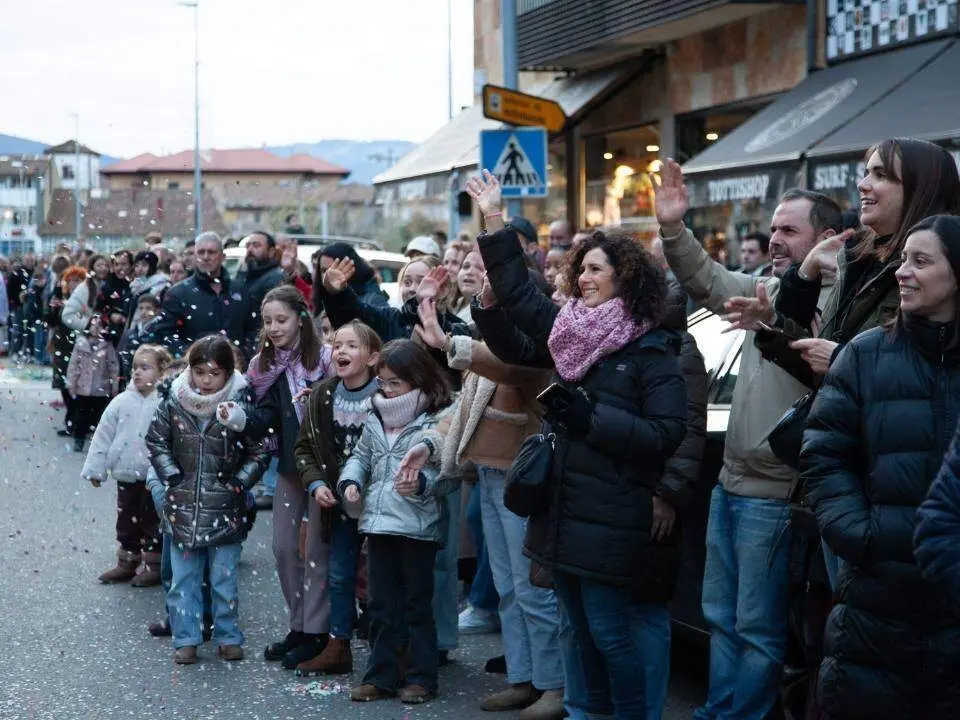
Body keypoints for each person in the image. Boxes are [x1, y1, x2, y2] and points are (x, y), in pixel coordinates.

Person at [468, 171, 687, 718]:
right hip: (562, 508)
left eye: (595, 269)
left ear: (625, 278)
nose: (583, 278)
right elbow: (521, 297)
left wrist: (593, 418)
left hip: (612, 513)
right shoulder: (571, 330)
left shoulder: (653, 349)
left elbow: (666, 434)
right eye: (581, 269)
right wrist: (493, 217)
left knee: (611, 634)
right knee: (580, 632)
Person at [650, 158, 845, 720]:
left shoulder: (840, 306)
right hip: (730, 484)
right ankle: (718, 711)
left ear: (828, 239)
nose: (775, 239)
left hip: (779, 495)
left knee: (757, 628)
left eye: (790, 230)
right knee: (721, 617)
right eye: (773, 228)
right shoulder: (769, 287)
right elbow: (706, 280)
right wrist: (673, 227)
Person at [801, 213, 960, 718]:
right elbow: (824, 453)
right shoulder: (866, 354)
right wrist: (862, 535)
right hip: (876, 598)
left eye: (921, 261)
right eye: (903, 259)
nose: (902, 272)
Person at [413, 293, 566, 719]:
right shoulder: (489, 350)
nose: (483, 300)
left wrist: (449, 342)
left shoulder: (536, 348)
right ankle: (523, 679)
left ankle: (554, 686)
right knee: (508, 589)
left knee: (532, 589)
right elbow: (463, 412)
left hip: (522, 484)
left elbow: (511, 369)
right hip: (488, 476)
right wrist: (428, 444)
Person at [769, 138, 960, 380]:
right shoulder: (856, 258)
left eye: (880, 175)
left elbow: (931, 377)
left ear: (920, 188)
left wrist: (842, 359)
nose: (862, 184)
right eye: (866, 173)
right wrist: (771, 321)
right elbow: (820, 371)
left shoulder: (941, 265)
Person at [216, 285, 333, 669]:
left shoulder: (325, 360)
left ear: (301, 318)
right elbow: (265, 417)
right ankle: (298, 626)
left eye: (281, 319)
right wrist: (240, 418)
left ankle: (317, 632)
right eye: (268, 321)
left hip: (324, 467)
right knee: (283, 548)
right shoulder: (264, 366)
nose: (274, 327)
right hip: (289, 466)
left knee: (316, 551)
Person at [338, 339, 454, 705]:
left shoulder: (436, 420)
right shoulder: (375, 415)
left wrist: (422, 484)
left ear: (417, 379)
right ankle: (381, 675)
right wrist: (351, 481)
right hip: (378, 523)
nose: (387, 390)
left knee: (417, 603)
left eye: (395, 383)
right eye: (383, 381)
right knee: (380, 604)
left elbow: (450, 475)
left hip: (418, 525)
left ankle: (421, 676)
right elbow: (361, 456)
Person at [145, 335, 270, 665]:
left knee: (223, 580)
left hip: (225, 508)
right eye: (200, 372)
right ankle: (186, 638)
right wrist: (172, 475)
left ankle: (228, 635)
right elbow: (156, 440)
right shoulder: (175, 400)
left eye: (215, 373)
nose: (206, 380)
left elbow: (260, 449)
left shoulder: (240, 404)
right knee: (183, 580)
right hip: (183, 506)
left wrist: (240, 483)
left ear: (228, 372)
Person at [293, 320, 382, 676]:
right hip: (339, 507)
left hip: (382, 506)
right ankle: (338, 645)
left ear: (373, 357)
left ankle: (387, 648)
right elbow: (304, 448)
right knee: (340, 575)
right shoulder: (322, 396)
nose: (341, 351)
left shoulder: (386, 395)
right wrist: (316, 484)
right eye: (337, 344)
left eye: (352, 345)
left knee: (381, 579)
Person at [82, 344, 172, 586]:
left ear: (161, 371)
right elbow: (103, 434)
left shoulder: (165, 402)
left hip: (154, 476)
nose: (137, 372)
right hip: (126, 473)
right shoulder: (121, 402)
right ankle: (127, 561)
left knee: (152, 520)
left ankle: (155, 564)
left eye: (145, 367)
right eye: (134, 367)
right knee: (126, 519)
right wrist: (96, 469)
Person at [146, 232, 254, 358]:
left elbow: (252, 329)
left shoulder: (240, 290)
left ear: (222, 257)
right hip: (194, 365)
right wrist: (193, 357)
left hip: (236, 365)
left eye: (211, 252)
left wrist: (243, 355)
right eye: (201, 252)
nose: (206, 257)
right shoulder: (178, 294)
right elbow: (165, 335)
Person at [67, 314, 119, 453]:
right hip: (82, 387)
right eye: (93, 325)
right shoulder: (81, 343)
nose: (96, 328)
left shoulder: (107, 345)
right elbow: (73, 365)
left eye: (99, 325)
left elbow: (113, 366)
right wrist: (71, 383)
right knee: (81, 415)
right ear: (88, 326)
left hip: (101, 387)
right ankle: (79, 439)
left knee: (99, 416)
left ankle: (98, 443)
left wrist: (114, 385)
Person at [48, 266, 85, 436]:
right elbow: (50, 322)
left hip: (80, 346)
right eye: (70, 281)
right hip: (62, 345)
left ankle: (75, 422)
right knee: (63, 384)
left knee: (77, 385)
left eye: (77, 280)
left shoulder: (86, 299)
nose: (73, 284)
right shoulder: (60, 298)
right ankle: (71, 420)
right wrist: (53, 309)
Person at [311, 243, 388, 316]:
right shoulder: (322, 299)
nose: (327, 275)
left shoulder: (373, 301)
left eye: (333, 269)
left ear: (349, 268)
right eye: (324, 270)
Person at [237, 231, 284, 333]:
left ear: (271, 251)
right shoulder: (244, 275)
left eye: (256, 245)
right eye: (248, 246)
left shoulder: (275, 278)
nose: (250, 250)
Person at [118, 294, 162, 381]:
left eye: (148, 308)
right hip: (129, 378)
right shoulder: (129, 333)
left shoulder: (160, 332)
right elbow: (120, 355)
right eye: (141, 308)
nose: (144, 312)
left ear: (157, 311)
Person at [62, 254, 108, 334]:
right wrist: (88, 325)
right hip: (89, 338)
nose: (103, 268)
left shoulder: (108, 286)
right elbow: (67, 315)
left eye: (106, 265)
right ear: (92, 268)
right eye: (99, 265)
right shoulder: (83, 288)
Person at [95, 250, 133, 346]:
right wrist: (110, 314)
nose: (119, 268)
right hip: (113, 334)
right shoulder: (107, 286)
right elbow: (98, 309)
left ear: (131, 265)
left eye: (123, 264)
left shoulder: (136, 284)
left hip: (132, 331)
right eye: (116, 264)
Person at [127, 250, 169, 325]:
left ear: (152, 266)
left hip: (153, 327)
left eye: (144, 265)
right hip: (135, 327)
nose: (140, 268)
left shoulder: (160, 286)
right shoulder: (135, 286)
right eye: (137, 265)